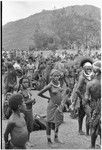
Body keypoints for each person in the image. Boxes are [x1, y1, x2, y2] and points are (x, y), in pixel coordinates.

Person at [38, 69, 64, 147]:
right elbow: (39, 93)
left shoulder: (59, 83)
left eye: (58, 76)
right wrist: (48, 98)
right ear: (51, 76)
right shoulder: (50, 85)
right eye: (55, 76)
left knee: (57, 122)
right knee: (49, 123)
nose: (56, 77)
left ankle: (56, 137)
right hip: (52, 106)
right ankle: (49, 141)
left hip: (59, 106)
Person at [70, 58, 93, 135]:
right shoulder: (82, 77)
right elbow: (77, 90)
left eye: (90, 68)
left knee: (87, 114)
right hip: (83, 98)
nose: (89, 69)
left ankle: (87, 131)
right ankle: (81, 130)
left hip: (90, 98)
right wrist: (82, 99)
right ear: (84, 68)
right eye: (87, 68)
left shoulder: (92, 76)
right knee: (83, 114)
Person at [85, 61, 101, 148]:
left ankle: (92, 145)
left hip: (95, 106)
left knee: (94, 126)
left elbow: (86, 98)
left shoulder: (90, 84)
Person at [18, 75, 36, 146]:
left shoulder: (28, 91)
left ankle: (27, 140)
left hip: (30, 110)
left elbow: (29, 99)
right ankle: (25, 141)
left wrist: (33, 101)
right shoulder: (20, 92)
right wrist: (30, 101)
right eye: (24, 82)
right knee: (24, 126)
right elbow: (22, 103)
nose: (26, 83)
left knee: (30, 125)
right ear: (21, 83)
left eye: (27, 82)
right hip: (24, 111)